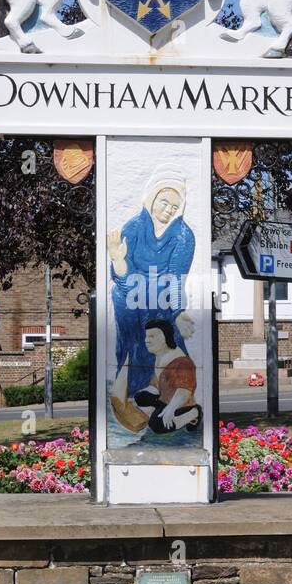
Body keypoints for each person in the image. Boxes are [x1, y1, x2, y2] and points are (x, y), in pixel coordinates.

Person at [108, 165, 196, 432]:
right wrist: (118, 259)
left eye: (174, 205)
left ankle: (173, 404)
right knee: (134, 335)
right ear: (152, 198)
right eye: (164, 201)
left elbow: (176, 277)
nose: (168, 208)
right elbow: (122, 277)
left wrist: (179, 310)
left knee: (160, 335)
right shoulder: (133, 228)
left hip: (163, 297)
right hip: (129, 292)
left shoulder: (184, 236)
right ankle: (127, 398)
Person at [133, 319, 202, 435]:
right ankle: (159, 410)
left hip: (181, 403)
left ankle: (194, 413)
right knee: (140, 397)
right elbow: (156, 385)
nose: (147, 341)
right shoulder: (161, 356)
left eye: (152, 336)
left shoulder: (181, 362)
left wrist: (170, 410)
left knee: (157, 425)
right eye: (147, 337)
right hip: (165, 398)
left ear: (165, 336)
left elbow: (184, 392)